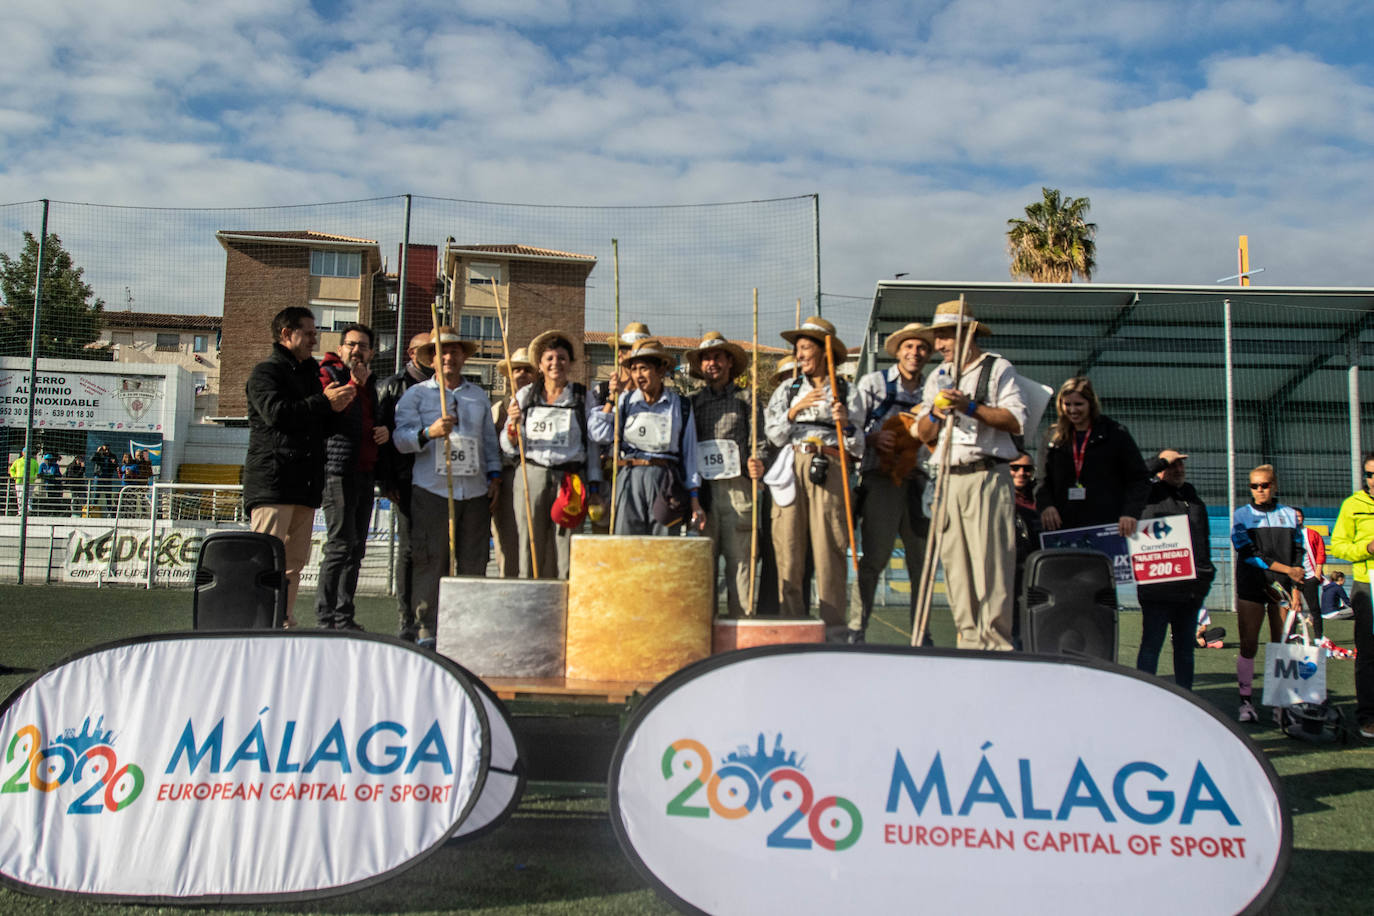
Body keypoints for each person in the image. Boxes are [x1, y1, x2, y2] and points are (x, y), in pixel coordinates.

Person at [914, 300, 1026, 651]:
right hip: (947, 478)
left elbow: (1016, 420)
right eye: (938, 337)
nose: (940, 344)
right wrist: (935, 411)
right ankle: (969, 641)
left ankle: (996, 644)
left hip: (986, 476)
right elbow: (922, 433)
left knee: (991, 565)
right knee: (956, 570)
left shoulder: (997, 368)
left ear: (969, 334)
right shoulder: (936, 376)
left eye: (946, 336)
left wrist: (970, 407)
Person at [243, 305, 357, 627]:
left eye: (314, 332)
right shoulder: (265, 372)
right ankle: (257, 622)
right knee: (265, 559)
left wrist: (338, 410)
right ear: (285, 334)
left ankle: (284, 620)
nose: (314, 338)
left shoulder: (310, 374)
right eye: (308, 332)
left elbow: (317, 424)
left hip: (304, 487)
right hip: (272, 484)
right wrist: (324, 403)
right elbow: (277, 414)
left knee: (294, 563)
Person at [393, 326, 501, 646]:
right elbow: (400, 440)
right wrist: (429, 432)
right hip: (432, 489)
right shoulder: (416, 395)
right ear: (432, 358)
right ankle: (427, 626)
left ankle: (468, 627)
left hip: (476, 491)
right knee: (431, 558)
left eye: (455, 351)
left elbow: (488, 442)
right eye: (443, 351)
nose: (449, 356)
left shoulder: (478, 395)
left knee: (473, 559)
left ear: (464, 356)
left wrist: (494, 476)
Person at [764, 316, 865, 639]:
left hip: (832, 465)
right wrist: (794, 410)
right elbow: (773, 435)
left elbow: (860, 445)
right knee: (789, 551)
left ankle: (833, 630)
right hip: (793, 465)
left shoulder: (848, 390)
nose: (800, 355)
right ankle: (792, 627)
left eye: (806, 348)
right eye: (798, 349)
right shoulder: (788, 388)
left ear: (825, 352)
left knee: (829, 551)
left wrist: (846, 423)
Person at [850, 322, 932, 643]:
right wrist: (872, 439)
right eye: (909, 347)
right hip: (881, 483)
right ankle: (857, 628)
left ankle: (921, 634)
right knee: (874, 560)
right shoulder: (874, 384)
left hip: (921, 484)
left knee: (921, 564)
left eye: (922, 347)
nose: (915, 353)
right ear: (898, 351)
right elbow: (850, 431)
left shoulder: (934, 389)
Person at [502, 331, 602, 578]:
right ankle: (530, 599)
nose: (555, 363)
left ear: (570, 362)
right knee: (530, 542)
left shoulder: (582, 396)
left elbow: (592, 444)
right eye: (549, 358)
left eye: (561, 358)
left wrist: (595, 484)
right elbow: (507, 444)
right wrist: (513, 427)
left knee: (566, 545)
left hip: (570, 479)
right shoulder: (525, 396)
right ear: (540, 364)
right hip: (532, 475)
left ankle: (564, 600)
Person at [684, 332, 765, 616]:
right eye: (706, 358)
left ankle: (741, 633)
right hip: (702, 494)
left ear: (730, 362)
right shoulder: (691, 403)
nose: (712, 363)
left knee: (740, 565)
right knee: (702, 566)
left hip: (738, 490)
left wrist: (759, 461)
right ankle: (703, 634)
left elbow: (761, 443)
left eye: (717, 356)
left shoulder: (747, 400)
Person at [313, 323, 386, 631]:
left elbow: (369, 420)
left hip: (364, 473)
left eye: (363, 346)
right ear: (341, 348)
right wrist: (355, 385)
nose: (357, 351)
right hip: (338, 472)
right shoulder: (329, 374)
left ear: (371, 352)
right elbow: (335, 411)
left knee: (356, 549)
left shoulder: (370, 382)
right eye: (352, 345)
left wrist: (383, 431)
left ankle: (344, 616)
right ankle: (325, 617)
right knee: (340, 545)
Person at [590, 337, 703, 536]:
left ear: (661, 370)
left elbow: (689, 454)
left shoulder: (680, 406)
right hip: (629, 478)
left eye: (644, 368)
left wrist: (694, 499)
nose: (638, 375)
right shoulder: (625, 402)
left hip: (666, 481)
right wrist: (610, 399)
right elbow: (598, 432)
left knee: (663, 547)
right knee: (626, 544)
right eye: (634, 369)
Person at [1135, 449, 1215, 691]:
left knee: (1185, 651)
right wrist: (1160, 461)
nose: (1178, 470)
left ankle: (1185, 697)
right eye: (1172, 466)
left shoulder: (1192, 495)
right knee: (1151, 648)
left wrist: (1205, 577)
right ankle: (1142, 695)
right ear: (1160, 470)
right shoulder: (1147, 494)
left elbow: (1203, 539)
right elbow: (1133, 476)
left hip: (1190, 591)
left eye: (1181, 465)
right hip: (1157, 591)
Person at [1230, 463, 1304, 724]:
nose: (1259, 490)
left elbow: (1298, 552)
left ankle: (1278, 704)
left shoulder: (1290, 515)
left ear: (1274, 486)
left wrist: (1296, 587)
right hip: (1252, 587)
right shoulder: (1241, 515)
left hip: (1282, 589)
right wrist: (1288, 570)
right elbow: (1248, 553)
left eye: (1264, 485)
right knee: (1249, 644)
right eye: (1254, 486)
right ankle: (1246, 702)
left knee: (1280, 647)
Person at [376, 331, 436, 641]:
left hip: (435, 478)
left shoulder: (443, 388)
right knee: (410, 549)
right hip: (405, 481)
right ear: (412, 353)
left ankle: (430, 615)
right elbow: (382, 437)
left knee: (434, 548)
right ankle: (406, 617)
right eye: (428, 350)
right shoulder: (391, 387)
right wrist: (387, 480)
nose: (435, 354)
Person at [1035, 376, 1149, 539]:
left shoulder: (1115, 433)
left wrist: (1130, 513)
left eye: (1079, 404)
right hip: (1064, 525)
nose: (1073, 410)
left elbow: (1139, 479)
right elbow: (1041, 480)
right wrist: (1046, 506)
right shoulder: (1053, 437)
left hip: (1106, 524)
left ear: (1091, 404)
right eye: (1067, 404)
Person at [1328, 453, 1374, 738]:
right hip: (1367, 586)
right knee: (1369, 654)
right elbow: (1339, 545)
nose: (1373, 480)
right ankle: (1368, 716)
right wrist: (1366, 549)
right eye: (1369, 474)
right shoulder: (1352, 505)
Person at [491, 347, 537, 578]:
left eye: (527, 370)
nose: (521, 374)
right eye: (516, 369)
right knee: (507, 542)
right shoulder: (498, 410)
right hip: (507, 479)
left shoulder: (543, 406)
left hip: (535, 476)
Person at [1010, 450, 1041, 649]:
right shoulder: (998, 496)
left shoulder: (1041, 499)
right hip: (1010, 569)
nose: (1021, 473)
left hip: (1035, 569)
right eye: (1015, 468)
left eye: (1027, 468)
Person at [1294, 508, 1326, 640]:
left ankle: (1318, 637)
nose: (1297, 518)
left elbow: (1320, 553)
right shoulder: (1287, 536)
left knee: (1315, 609)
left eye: (1299, 516)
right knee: (1293, 609)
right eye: (1295, 516)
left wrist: (1317, 575)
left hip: (1310, 577)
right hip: (1293, 578)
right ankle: (1290, 636)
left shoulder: (1312, 534)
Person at [90, 444, 118, 513]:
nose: (107, 451)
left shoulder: (112, 456)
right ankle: (92, 510)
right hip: (99, 476)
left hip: (107, 477)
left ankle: (110, 512)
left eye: (108, 449)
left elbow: (116, 467)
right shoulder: (99, 455)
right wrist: (97, 451)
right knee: (96, 494)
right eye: (105, 449)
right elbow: (92, 459)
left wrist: (114, 463)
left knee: (108, 495)